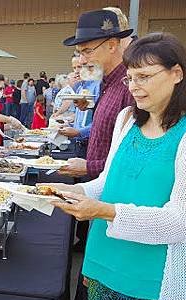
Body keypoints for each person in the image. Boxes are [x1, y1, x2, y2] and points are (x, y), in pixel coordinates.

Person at [50, 32, 186, 300]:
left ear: (176, 74)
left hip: (159, 284)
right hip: (105, 267)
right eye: (130, 78)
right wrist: (73, 192)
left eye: (144, 76)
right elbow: (108, 182)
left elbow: (180, 221)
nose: (134, 86)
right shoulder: (127, 119)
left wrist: (104, 211)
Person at [62, 9, 135, 180]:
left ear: (112, 45)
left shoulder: (131, 86)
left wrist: (89, 167)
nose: (82, 61)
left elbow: (134, 155)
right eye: (80, 53)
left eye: (87, 51)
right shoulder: (105, 82)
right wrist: (92, 106)